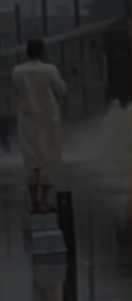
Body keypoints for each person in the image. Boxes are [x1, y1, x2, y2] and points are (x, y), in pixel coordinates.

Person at [12, 38, 67, 213]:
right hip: (48, 120)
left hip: (27, 121)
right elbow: (61, 90)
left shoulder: (17, 71)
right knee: (47, 161)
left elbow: (17, 90)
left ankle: (34, 202)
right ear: (42, 51)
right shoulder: (50, 69)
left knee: (31, 161)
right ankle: (44, 201)